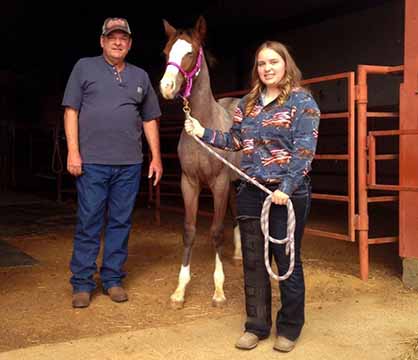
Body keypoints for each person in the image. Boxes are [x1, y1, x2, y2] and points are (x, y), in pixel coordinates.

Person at [185, 40, 320, 352]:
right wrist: (202, 131)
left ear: (286, 64)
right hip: (250, 192)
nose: (267, 68)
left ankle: (289, 327)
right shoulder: (247, 103)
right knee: (254, 261)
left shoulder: (303, 103)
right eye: (262, 63)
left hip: (288, 195)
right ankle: (256, 325)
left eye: (273, 62)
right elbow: (234, 141)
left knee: (287, 260)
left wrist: (284, 190)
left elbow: (304, 152)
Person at [62, 17, 163, 308]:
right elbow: (71, 111)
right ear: (102, 41)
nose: (118, 42)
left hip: (129, 163)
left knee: (121, 221)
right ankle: (82, 283)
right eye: (112, 37)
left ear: (129, 44)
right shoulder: (84, 67)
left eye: (123, 38)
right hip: (92, 161)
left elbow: (150, 119)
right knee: (89, 220)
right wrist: (73, 152)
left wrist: (155, 157)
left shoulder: (140, 76)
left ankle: (113, 279)